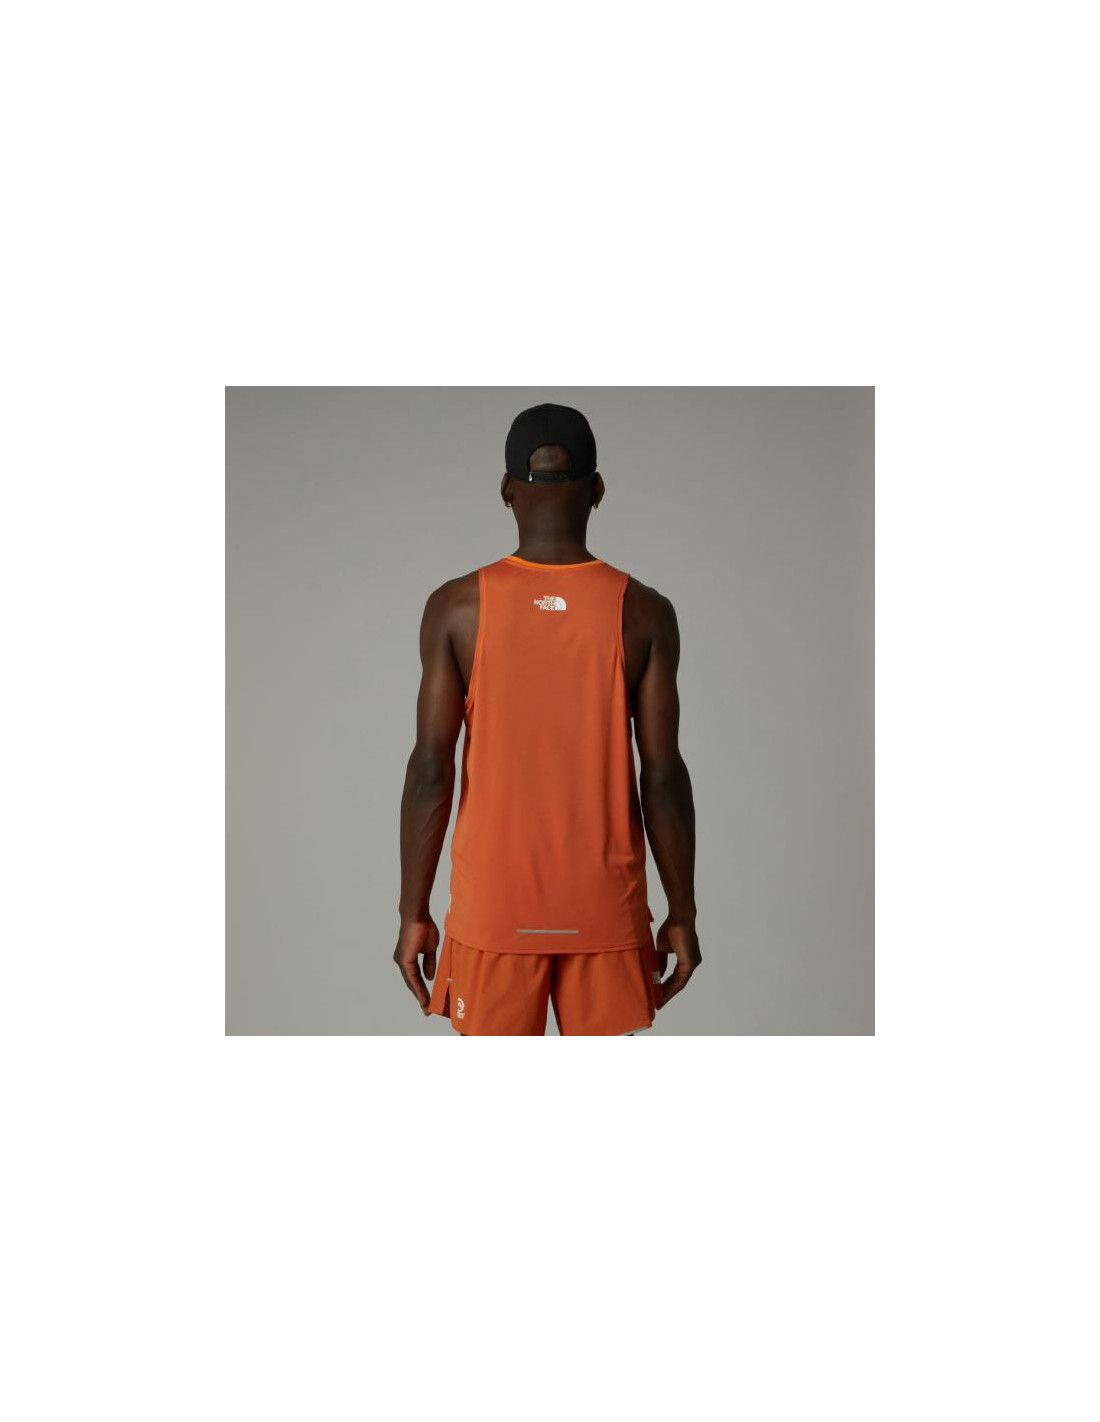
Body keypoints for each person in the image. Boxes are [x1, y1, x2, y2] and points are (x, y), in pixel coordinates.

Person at [394, 403, 701, 1035]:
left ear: (506, 489)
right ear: (598, 489)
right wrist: (683, 912)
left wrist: (412, 912)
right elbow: (663, 776)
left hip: (494, 910)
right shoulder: (645, 612)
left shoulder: (456, 608)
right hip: (606, 911)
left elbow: (430, 770)